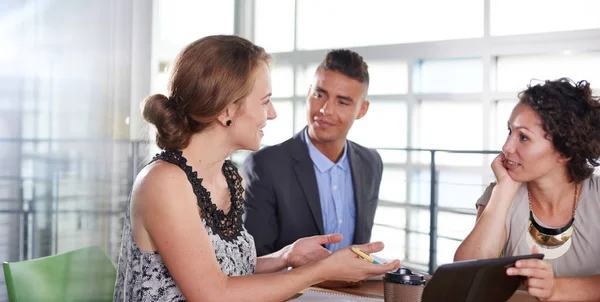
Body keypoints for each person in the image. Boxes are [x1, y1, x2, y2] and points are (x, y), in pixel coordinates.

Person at [113, 35, 399, 301]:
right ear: (227, 110)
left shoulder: (228, 177)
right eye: (265, 102)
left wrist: (286, 256)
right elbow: (214, 294)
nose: (272, 113)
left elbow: (230, 271)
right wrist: (323, 270)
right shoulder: (164, 182)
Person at [454, 78, 600, 301]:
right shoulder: (501, 193)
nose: (506, 147)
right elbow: (466, 280)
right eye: (509, 132)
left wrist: (556, 288)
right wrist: (504, 190)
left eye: (523, 137)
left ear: (565, 151)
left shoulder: (597, 195)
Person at [243, 49, 383, 257]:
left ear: (362, 110)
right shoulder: (266, 165)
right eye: (319, 95)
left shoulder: (371, 163)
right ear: (309, 93)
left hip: (353, 288)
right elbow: (254, 259)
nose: (326, 110)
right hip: (293, 289)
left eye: (342, 102)